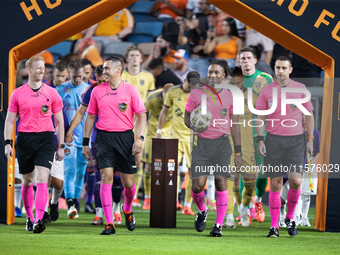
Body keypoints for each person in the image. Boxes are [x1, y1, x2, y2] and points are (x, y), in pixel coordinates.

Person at [82, 56, 147, 235]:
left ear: (118, 70)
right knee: (106, 177)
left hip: (125, 138)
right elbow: (90, 117)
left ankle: (127, 210)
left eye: (107, 68)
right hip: (103, 138)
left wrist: (140, 139)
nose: (104, 71)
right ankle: (109, 223)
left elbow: (142, 116)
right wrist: (86, 142)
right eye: (103, 68)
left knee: (128, 183)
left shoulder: (131, 90)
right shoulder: (97, 91)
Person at [256, 56, 315, 237]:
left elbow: (309, 115)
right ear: (274, 69)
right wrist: (260, 139)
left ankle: (290, 218)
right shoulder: (266, 91)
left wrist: (310, 138)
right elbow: (260, 117)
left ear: (290, 70)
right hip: (273, 140)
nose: (280, 71)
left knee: (296, 182)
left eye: (283, 68)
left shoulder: (300, 89)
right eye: (277, 68)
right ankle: (274, 226)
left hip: (296, 141)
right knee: (275, 183)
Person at [4, 56, 65, 233]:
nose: (41, 71)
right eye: (37, 68)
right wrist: (8, 143)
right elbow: (9, 121)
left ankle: (39, 219)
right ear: (28, 70)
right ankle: (29, 217)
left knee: (42, 180)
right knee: (27, 181)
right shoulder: (18, 93)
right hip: (24, 139)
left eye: (43, 67)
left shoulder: (52, 93)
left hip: (45, 139)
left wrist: (60, 146)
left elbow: (59, 121)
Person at [184, 60, 242, 237]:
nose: (213, 76)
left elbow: (235, 125)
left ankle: (218, 225)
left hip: (222, 144)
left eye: (217, 73)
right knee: (197, 186)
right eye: (210, 72)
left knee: (221, 182)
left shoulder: (232, 95)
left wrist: (238, 151)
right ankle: (201, 210)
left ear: (224, 75)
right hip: (201, 144)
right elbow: (187, 117)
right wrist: (193, 126)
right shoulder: (196, 94)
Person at [65, 65, 119, 224]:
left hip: (119, 138)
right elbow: (81, 112)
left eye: (105, 80)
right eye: (100, 80)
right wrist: (70, 131)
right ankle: (99, 214)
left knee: (118, 179)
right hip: (98, 138)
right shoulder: (93, 90)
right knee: (99, 177)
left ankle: (117, 208)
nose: (103, 83)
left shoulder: (121, 88)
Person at [238, 46, 274, 223]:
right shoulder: (234, 80)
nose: (245, 61)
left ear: (255, 60)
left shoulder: (266, 78)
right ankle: (243, 208)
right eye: (242, 58)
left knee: (262, 174)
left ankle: (258, 200)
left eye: (248, 58)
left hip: (263, 133)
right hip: (241, 134)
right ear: (239, 61)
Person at [157, 71, 201, 215]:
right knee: (171, 171)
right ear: (184, 80)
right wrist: (159, 130)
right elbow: (164, 111)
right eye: (190, 85)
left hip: (193, 140)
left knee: (193, 174)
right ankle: (174, 200)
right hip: (175, 138)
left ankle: (187, 205)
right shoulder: (173, 92)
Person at [222, 66, 258, 228]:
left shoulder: (253, 97)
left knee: (250, 182)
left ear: (242, 80)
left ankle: (243, 207)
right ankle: (229, 216)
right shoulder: (222, 96)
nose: (233, 87)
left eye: (236, 83)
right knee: (227, 179)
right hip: (226, 144)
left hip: (247, 145)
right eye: (231, 83)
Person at [122, 45, 155, 207]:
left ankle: (134, 196)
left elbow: (150, 102)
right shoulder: (121, 75)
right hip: (123, 123)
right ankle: (124, 194)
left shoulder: (148, 77)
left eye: (137, 55)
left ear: (141, 59)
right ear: (127, 58)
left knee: (139, 160)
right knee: (121, 161)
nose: (134, 58)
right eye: (132, 55)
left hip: (140, 123)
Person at [56, 59, 90, 219]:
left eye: (80, 76)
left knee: (80, 172)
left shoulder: (90, 90)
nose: (78, 80)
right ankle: (70, 203)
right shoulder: (60, 91)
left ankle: (74, 199)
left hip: (85, 137)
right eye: (75, 76)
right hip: (67, 138)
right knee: (69, 171)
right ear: (69, 74)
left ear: (84, 74)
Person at [141, 83, 174, 209]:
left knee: (170, 167)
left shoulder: (177, 97)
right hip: (152, 134)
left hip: (170, 133)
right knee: (149, 166)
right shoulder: (152, 98)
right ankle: (147, 198)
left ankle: (171, 198)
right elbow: (141, 114)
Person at [177, 13, 210, 78]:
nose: (192, 21)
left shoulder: (207, 33)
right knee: (188, 80)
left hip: (203, 60)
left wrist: (202, 47)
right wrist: (181, 31)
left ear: (201, 21)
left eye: (195, 19)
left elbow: (211, 49)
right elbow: (182, 42)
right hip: (191, 59)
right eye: (192, 19)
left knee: (202, 82)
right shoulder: (190, 32)